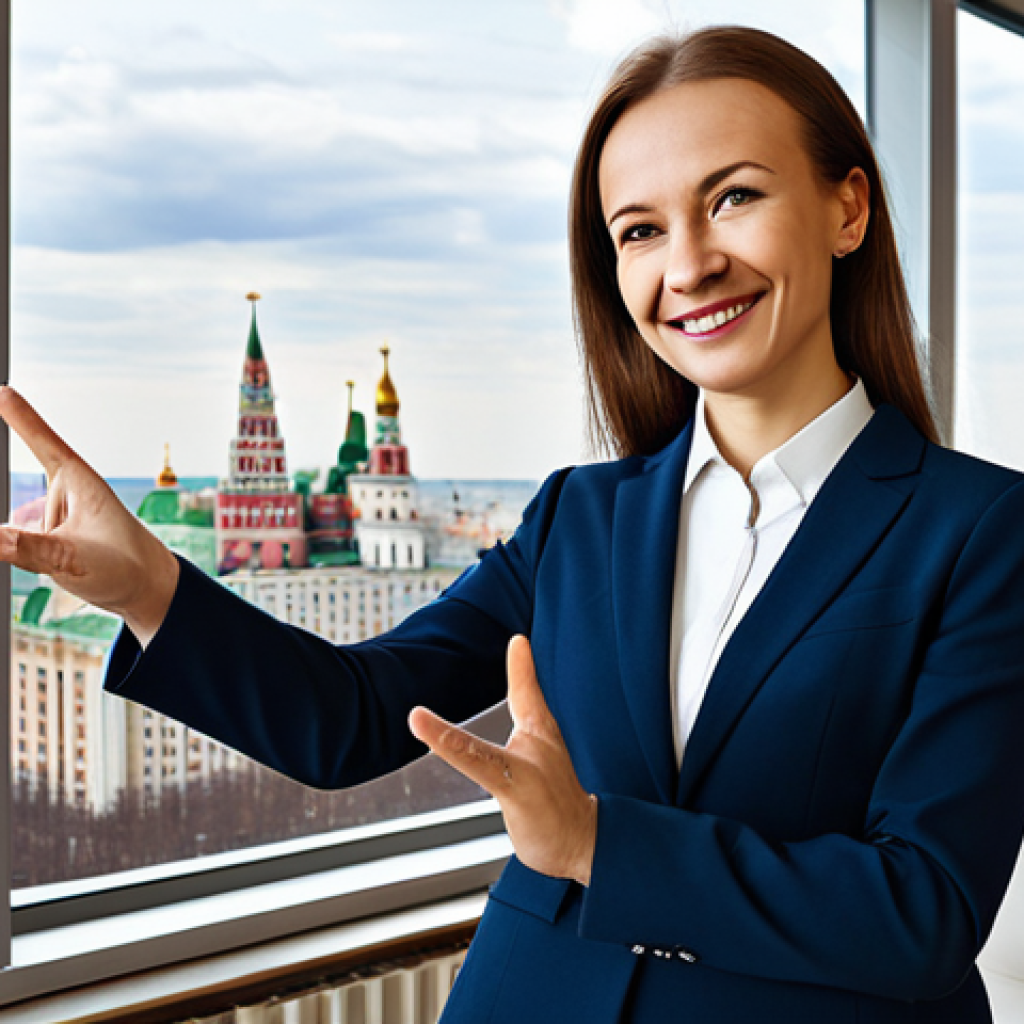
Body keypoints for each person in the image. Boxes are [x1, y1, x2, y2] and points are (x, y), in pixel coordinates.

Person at [2, 24, 1024, 1024]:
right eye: (639, 230)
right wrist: (145, 586)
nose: (690, 263)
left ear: (847, 207)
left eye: (735, 198)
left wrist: (593, 844)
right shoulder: (581, 515)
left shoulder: (979, 530)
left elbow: (923, 909)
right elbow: (353, 716)